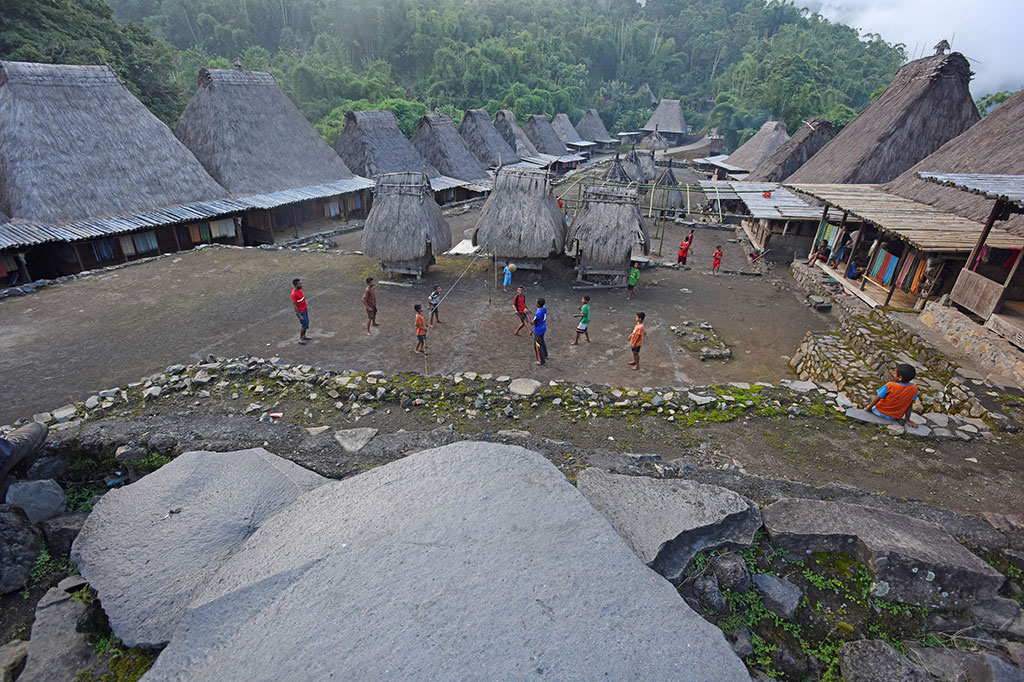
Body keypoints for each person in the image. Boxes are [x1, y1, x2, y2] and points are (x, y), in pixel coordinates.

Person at [291, 278, 309, 345]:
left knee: (307, 323)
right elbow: (295, 305)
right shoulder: (294, 294)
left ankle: (304, 336)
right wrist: (299, 315)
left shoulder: (300, 290)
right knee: (304, 324)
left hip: (304, 309)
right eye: (300, 284)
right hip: (301, 311)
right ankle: (301, 338)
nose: (301, 285)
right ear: (296, 285)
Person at [533, 297, 548, 365]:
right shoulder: (544, 308)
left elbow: (532, 322)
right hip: (543, 327)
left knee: (537, 345)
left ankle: (541, 360)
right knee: (542, 341)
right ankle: (545, 354)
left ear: (538, 304)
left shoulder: (538, 313)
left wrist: (527, 314)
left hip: (538, 330)